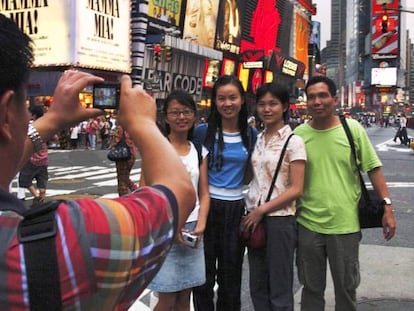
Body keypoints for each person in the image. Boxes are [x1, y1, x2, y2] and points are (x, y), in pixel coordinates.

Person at [0, 13, 195, 310]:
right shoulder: (73, 240)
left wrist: (51, 120)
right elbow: (178, 194)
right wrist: (143, 123)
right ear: (5, 113)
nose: (29, 116)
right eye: (25, 106)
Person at [293, 76, 396, 311]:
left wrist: (387, 208)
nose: (317, 101)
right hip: (307, 225)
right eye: (311, 97)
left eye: (323, 95)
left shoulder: (353, 130)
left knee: (346, 291)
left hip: (345, 226)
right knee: (311, 291)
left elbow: (374, 169)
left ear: (334, 99)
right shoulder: (298, 134)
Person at [192, 75, 257, 311]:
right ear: (215, 102)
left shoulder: (250, 135)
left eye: (232, 98)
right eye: (221, 98)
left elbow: (250, 173)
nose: (227, 103)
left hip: (235, 209)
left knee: (231, 278)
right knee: (203, 277)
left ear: (242, 101)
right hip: (206, 208)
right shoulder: (201, 133)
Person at [243, 83, 306, 311]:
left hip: (280, 220)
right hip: (254, 220)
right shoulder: (258, 138)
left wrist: (262, 210)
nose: (266, 109)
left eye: (273, 104)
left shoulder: (293, 141)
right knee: (257, 285)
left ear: (284, 107)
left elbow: (296, 188)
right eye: (262, 104)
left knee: (279, 287)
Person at [145, 90, 210, 311]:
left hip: (192, 230)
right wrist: (169, 227)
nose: (181, 117)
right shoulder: (155, 148)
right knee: (167, 299)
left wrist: (200, 225)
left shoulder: (199, 150)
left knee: (185, 297)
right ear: (165, 117)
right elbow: (146, 193)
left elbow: (204, 193)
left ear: (194, 116)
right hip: (165, 231)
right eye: (175, 112)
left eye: (186, 112)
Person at [18, 105, 49, 207]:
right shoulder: (46, 125)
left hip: (32, 158)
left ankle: (36, 197)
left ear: (33, 115)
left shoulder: (30, 125)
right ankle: (41, 199)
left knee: (24, 180)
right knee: (42, 183)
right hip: (44, 159)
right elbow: (55, 138)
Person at [110, 123, 138, 196]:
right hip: (132, 153)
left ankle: (124, 197)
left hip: (123, 154)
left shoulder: (120, 128)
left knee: (121, 179)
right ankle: (136, 190)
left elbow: (115, 140)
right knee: (125, 176)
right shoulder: (133, 126)